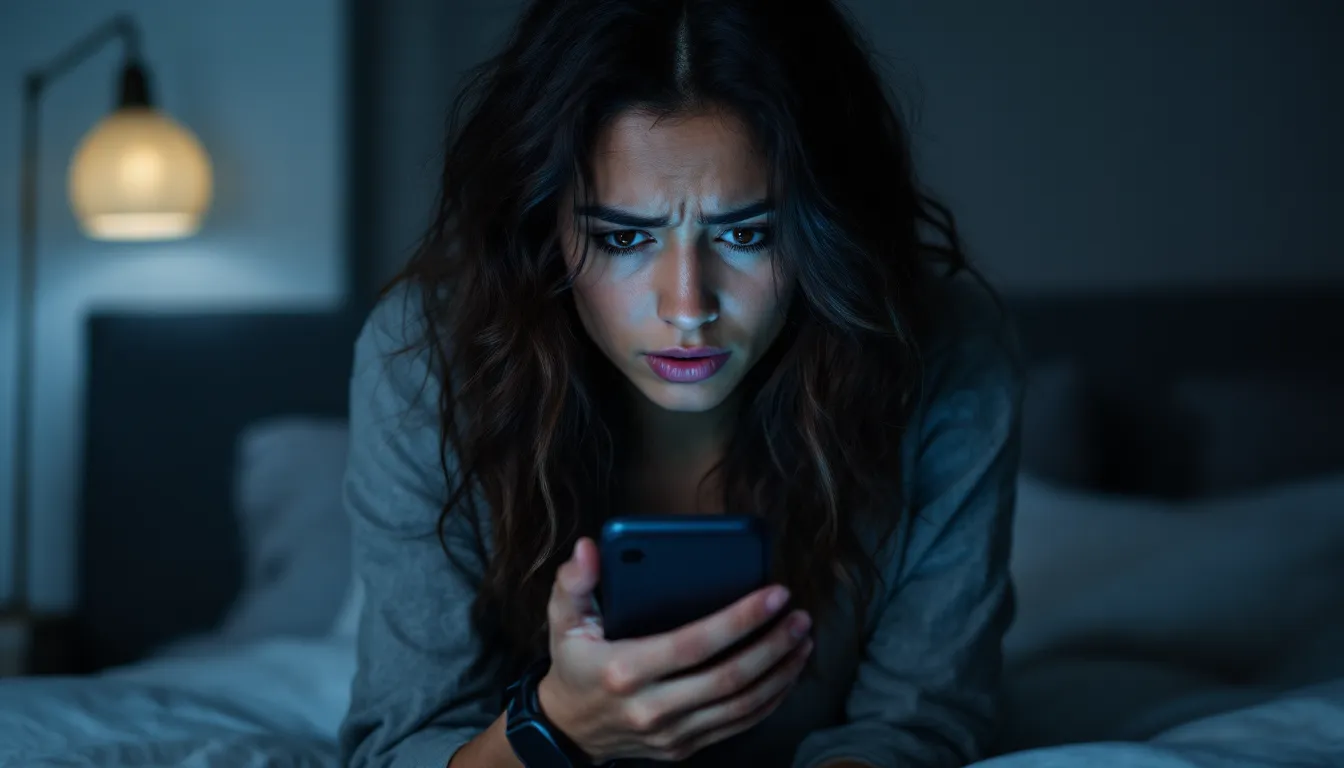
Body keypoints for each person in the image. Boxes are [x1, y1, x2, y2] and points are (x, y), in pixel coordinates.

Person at [339, 0, 1023, 766]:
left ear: (827, 231)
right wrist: (559, 725)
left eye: (747, 233)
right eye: (624, 238)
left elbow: (915, 724)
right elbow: (407, 743)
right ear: (546, 232)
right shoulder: (428, 360)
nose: (688, 307)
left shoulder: (941, 350)